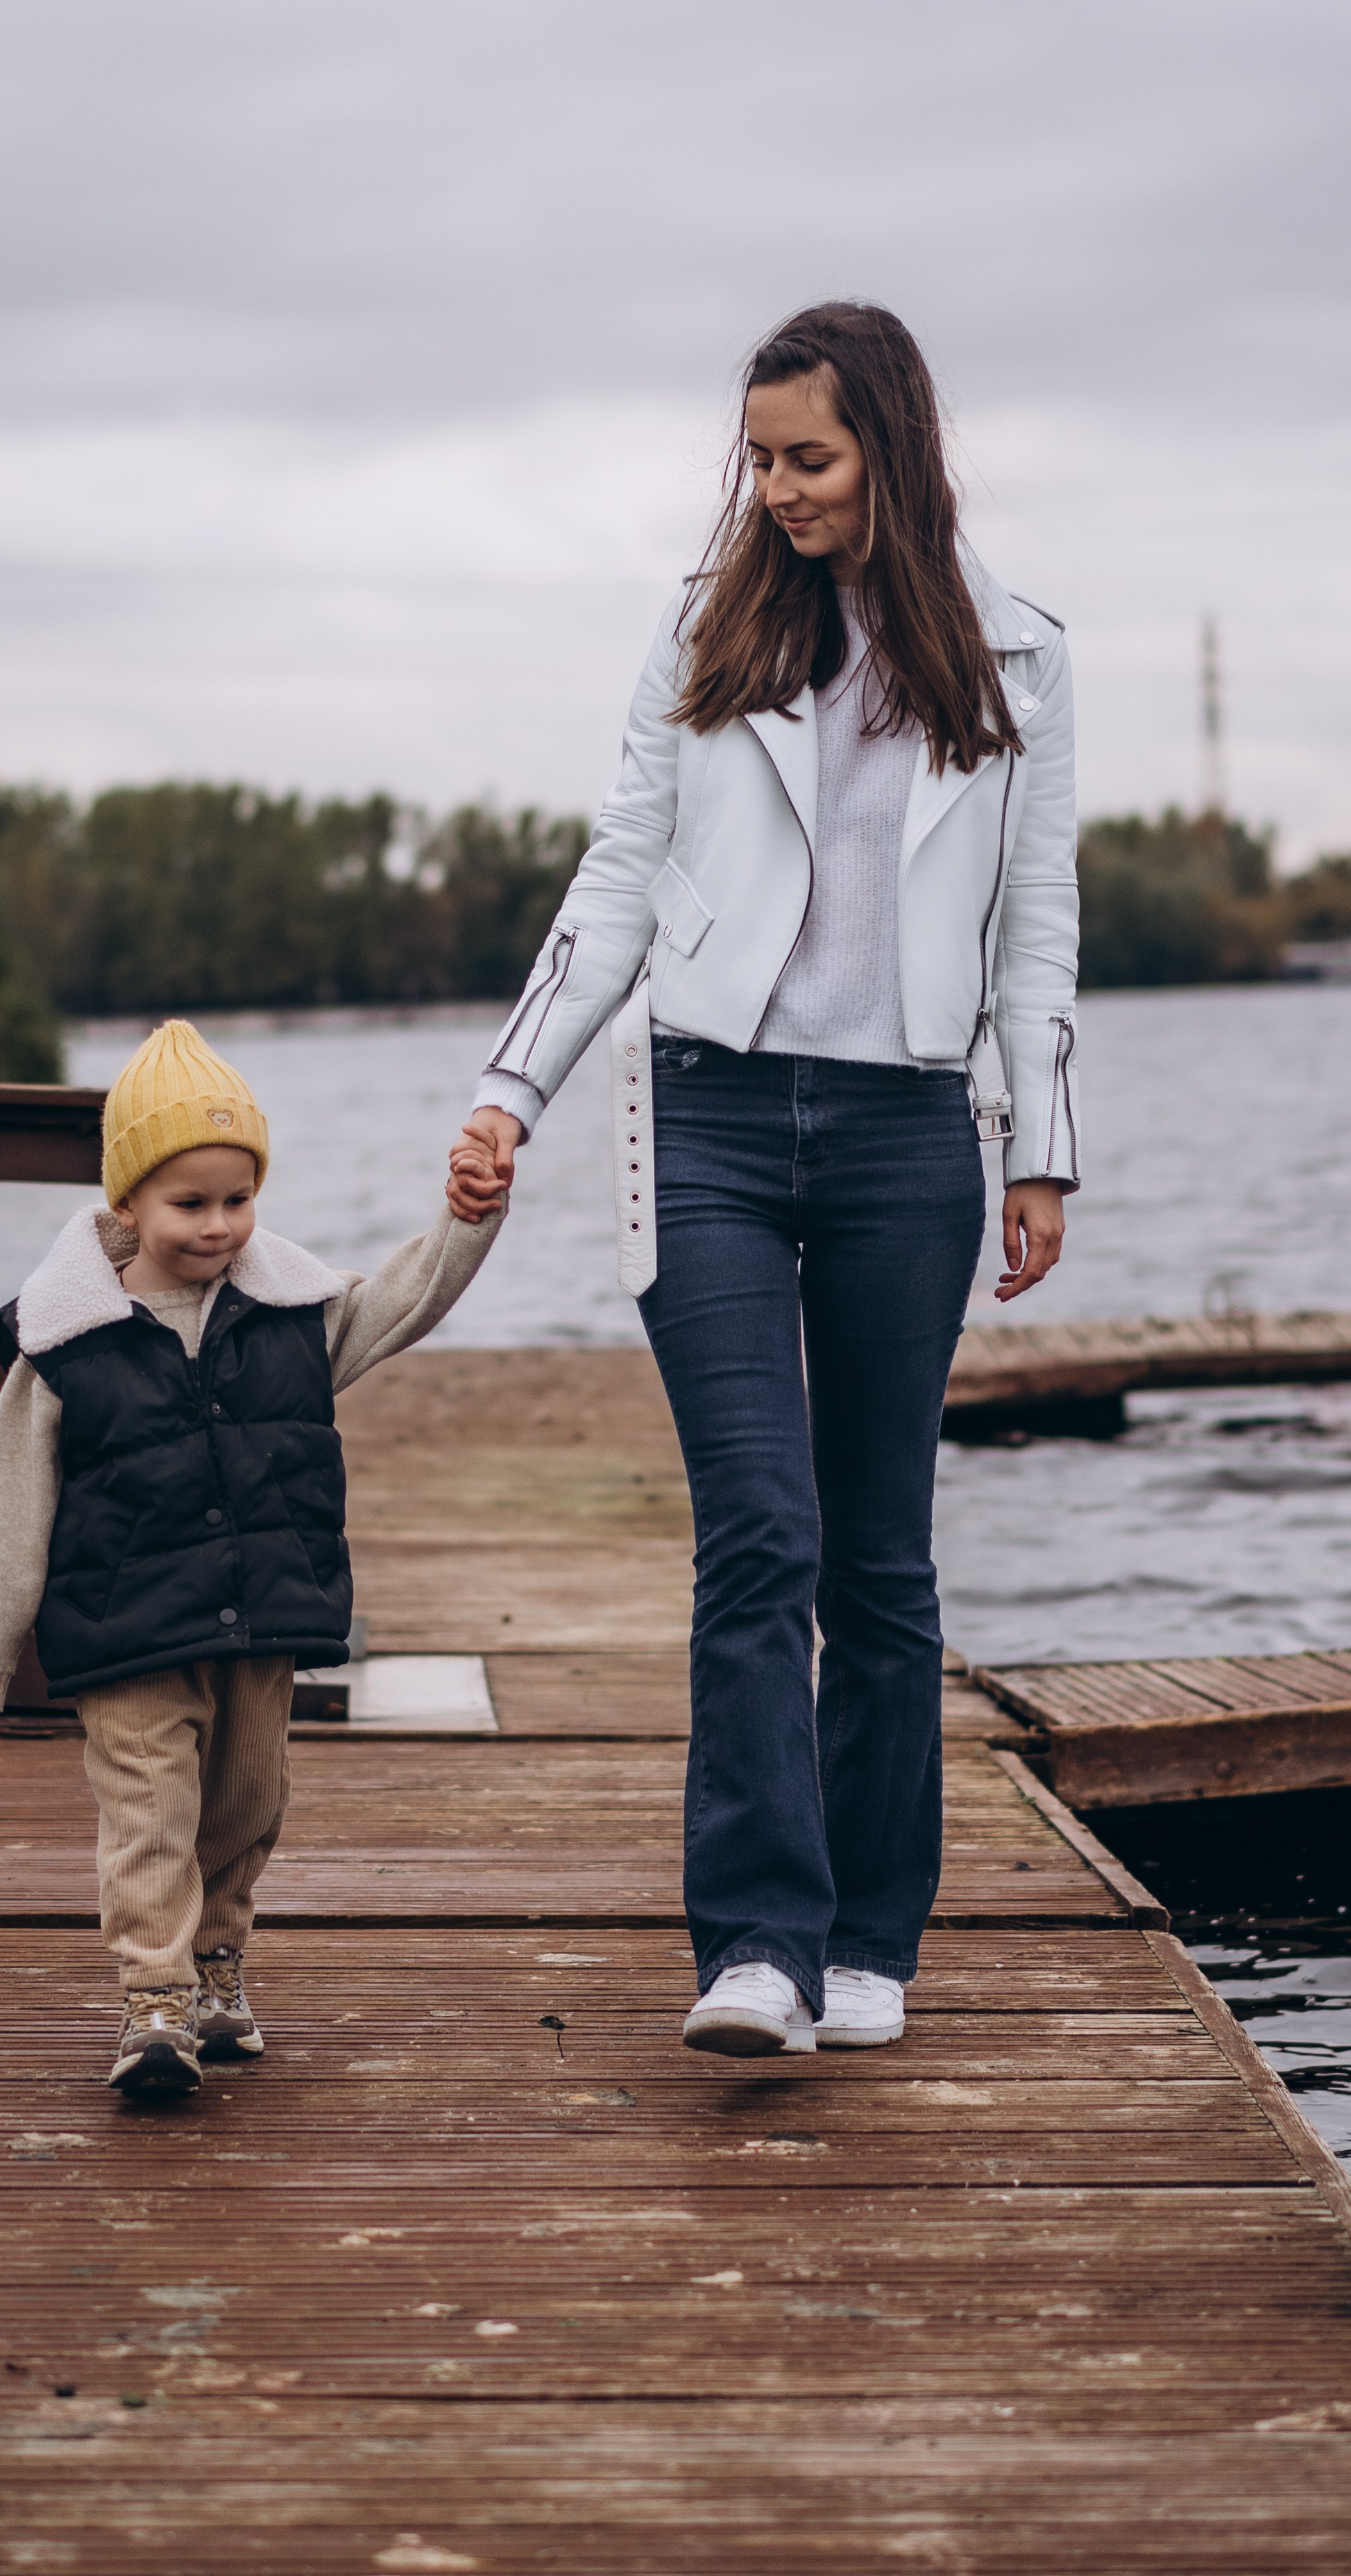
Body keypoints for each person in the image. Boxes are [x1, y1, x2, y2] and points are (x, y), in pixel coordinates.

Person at [448, 300, 1078, 2060]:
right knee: (758, 1537)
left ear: (889, 439)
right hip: (707, 1122)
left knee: (878, 1561)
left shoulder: (1017, 659)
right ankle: (752, 1946)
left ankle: (871, 1937)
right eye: (758, 459)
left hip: (901, 1137)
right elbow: (618, 874)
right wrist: (513, 1087)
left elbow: (1036, 928)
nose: (776, 489)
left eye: (806, 455)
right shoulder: (705, 629)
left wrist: (1042, 1151)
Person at [0, 1018, 503, 2096]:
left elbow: (400, 1302)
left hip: (260, 1615)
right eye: (188, 1204)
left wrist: (464, 1224)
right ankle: (151, 1999)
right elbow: (9, 1495)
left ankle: (215, 1964)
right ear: (127, 1206)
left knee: (247, 1802)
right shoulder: (70, 1339)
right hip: (125, 1629)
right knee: (150, 1806)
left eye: (237, 1201)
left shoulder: (289, 1315)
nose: (217, 1226)